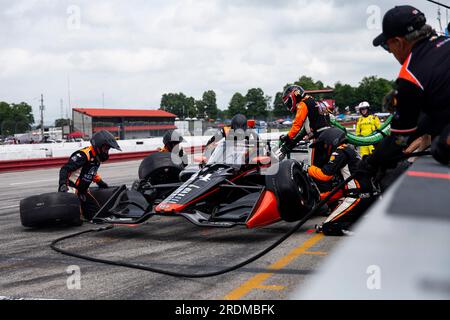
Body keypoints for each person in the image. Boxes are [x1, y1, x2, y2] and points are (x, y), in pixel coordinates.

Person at [366, 5, 450, 173]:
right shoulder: (445, 42)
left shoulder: (411, 75)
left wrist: (371, 163)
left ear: (398, 42)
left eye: (387, 47)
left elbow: (400, 138)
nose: (390, 52)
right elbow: (427, 119)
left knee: (441, 148)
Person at [307, 128, 378, 236]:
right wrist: (321, 197)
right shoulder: (350, 151)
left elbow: (324, 175)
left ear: (332, 140)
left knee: (328, 227)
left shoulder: (340, 151)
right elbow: (343, 188)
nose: (324, 148)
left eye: (325, 145)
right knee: (335, 215)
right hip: (367, 197)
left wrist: (308, 168)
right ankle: (362, 222)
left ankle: (361, 229)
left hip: (357, 198)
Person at [58, 130, 121, 220]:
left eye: (108, 149)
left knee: (96, 215)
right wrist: (63, 184)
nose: (106, 152)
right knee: (75, 219)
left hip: (83, 191)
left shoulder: (97, 157)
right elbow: (65, 169)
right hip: (71, 189)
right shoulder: (83, 155)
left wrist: (100, 182)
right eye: (105, 149)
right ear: (98, 146)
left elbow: (91, 171)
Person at [279, 85, 332, 166]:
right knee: (328, 165)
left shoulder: (303, 104)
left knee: (313, 167)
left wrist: (288, 137)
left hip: (317, 139)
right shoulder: (316, 101)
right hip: (331, 136)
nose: (288, 105)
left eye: (288, 102)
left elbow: (297, 125)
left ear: (293, 96)